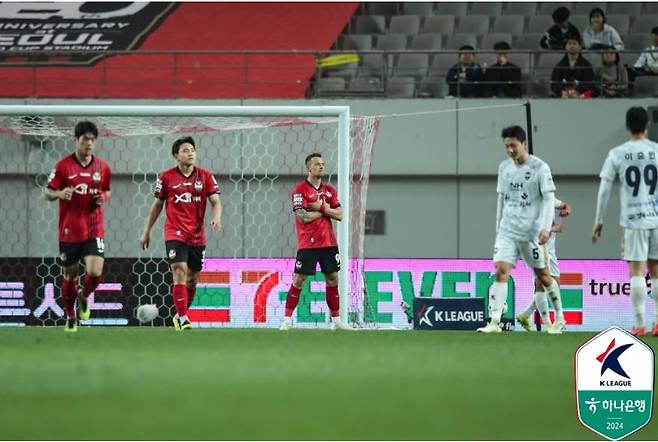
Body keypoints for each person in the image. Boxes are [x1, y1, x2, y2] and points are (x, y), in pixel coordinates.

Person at [478, 126, 564, 334]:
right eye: (507, 146)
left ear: (524, 144)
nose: (510, 150)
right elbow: (502, 199)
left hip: (531, 232)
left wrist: (545, 227)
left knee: (543, 276)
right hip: (508, 230)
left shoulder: (540, 168)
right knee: (501, 271)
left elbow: (549, 198)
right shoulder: (504, 168)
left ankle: (560, 319)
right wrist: (498, 228)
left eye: (513, 145)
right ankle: (494, 322)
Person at [139, 136, 222, 331]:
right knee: (179, 271)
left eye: (192, 149)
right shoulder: (166, 177)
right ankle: (184, 318)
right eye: (185, 150)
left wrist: (217, 217)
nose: (190, 153)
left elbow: (216, 201)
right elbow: (157, 205)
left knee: (192, 279)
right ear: (176, 156)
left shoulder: (206, 176)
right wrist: (146, 231)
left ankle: (178, 315)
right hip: (174, 233)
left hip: (197, 235)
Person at [592, 107, 658, 337]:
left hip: (633, 221)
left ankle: (640, 324)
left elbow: (604, 190)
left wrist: (598, 220)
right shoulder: (657, 151)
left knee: (637, 271)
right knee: (657, 270)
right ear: (648, 125)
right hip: (656, 218)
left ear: (627, 126)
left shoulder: (617, 153)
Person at [44, 121, 111, 332]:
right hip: (69, 230)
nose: (89, 144)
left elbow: (107, 191)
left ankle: (84, 296)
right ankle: (70, 316)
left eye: (92, 140)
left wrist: (102, 198)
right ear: (76, 140)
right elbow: (46, 192)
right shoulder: (63, 166)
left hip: (93, 229)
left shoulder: (103, 167)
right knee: (69, 275)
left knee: (95, 272)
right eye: (85, 139)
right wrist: (59, 194)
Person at [280, 153, 352, 331]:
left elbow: (341, 215)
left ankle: (336, 321)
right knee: (299, 279)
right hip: (308, 244)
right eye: (317, 164)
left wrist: (321, 207)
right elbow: (303, 217)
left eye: (323, 163)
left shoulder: (330, 190)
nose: (321, 166)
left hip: (329, 243)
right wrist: (326, 210)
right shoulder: (300, 190)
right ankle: (287, 320)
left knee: (333, 278)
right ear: (309, 168)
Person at [516, 198, 572, 332]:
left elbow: (565, 207)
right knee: (544, 285)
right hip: (538, 249)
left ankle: (527, 315)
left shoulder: (550, 199)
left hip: (550, 252)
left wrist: (566, 210)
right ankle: (551, 323)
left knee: (550, 286)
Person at [550, 34, 597, 98]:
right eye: (569, 43)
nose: (571, 46)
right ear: (566, 46)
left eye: (574, 43)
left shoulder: (587, 65)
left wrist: (578, 92)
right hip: (563, 99)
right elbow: (554, 84)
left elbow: (590, 84)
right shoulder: (559, 66)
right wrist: (562, 92)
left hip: (581, 98)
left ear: (580, 47)